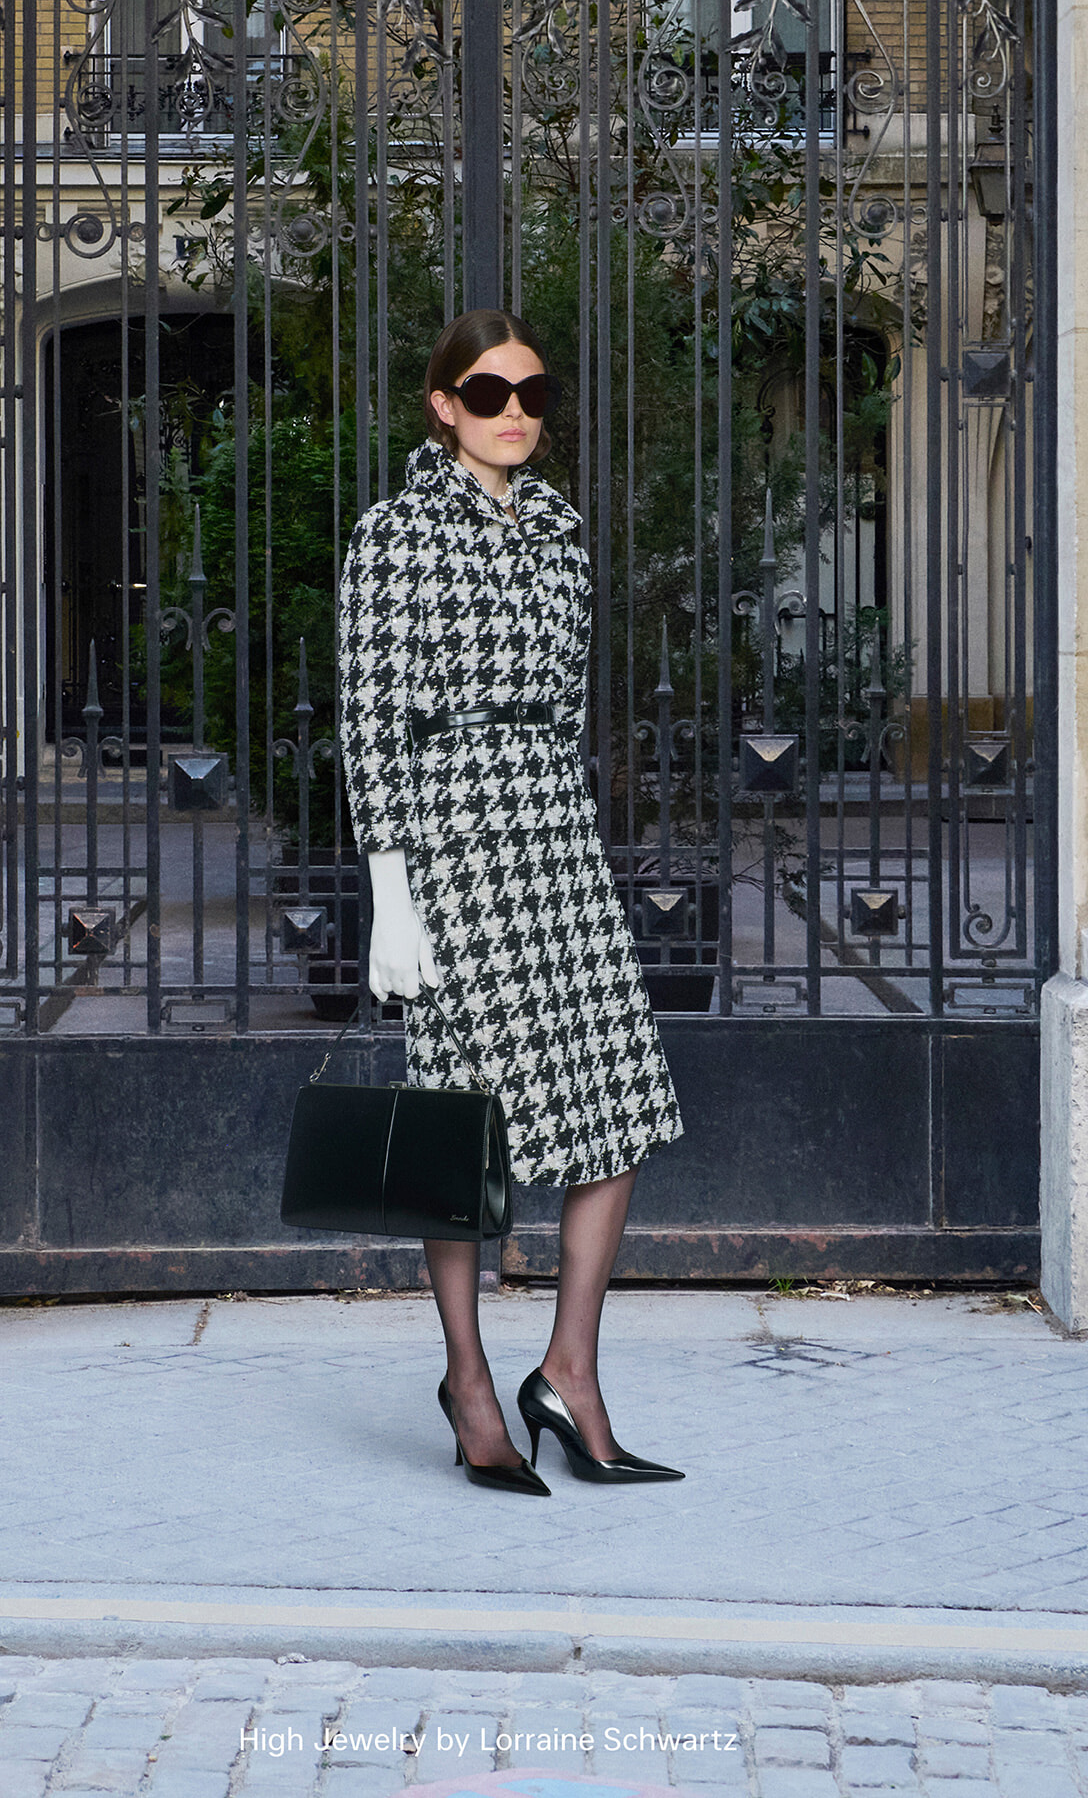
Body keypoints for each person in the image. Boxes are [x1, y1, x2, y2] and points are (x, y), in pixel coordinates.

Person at [337, 308, 685, 1495]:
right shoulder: (393, 535)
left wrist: (573, 825)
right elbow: (372, 720)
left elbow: (571, 700)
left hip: (553, 832)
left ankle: (570, 1373)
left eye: (532, 392)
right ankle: (470, 1380)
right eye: (488, 395)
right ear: (442, 406)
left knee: (621, 1096)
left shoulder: (563, 532)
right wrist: (392, 891)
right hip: (449, 842)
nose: (516, 414)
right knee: (463, 1123)